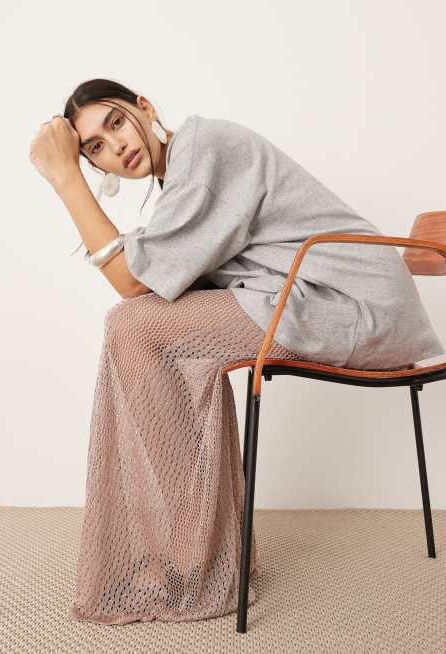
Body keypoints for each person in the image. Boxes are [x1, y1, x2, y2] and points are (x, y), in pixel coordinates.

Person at [29, 78, 444, 626]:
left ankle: (193, 560)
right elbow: (150, 281)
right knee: (143, 329)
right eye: (95, 148)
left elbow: (130, 281)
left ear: (145, 108)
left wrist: (65, 178)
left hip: (352, 307)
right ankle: (196, 552)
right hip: (308, 298)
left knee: (134, 326)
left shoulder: (205, 151)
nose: (117, 145)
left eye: (117, 122)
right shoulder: (181, 178)